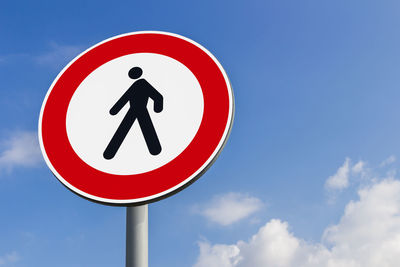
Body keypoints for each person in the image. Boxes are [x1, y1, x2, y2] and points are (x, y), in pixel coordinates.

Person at [103, 67, 163, 160]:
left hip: (141, 109)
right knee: (126, 130)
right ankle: (109, 154)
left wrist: (157, 108)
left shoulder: (142, 83)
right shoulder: (136, 85)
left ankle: (155, 150)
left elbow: (158, 96)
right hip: (133, 110)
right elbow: (125, 98)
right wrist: (114, 110)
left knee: (134, 129)